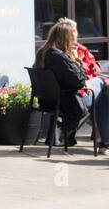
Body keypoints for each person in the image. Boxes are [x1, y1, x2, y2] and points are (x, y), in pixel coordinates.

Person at [35, 19, 91, 149]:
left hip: (45, 100)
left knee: (99, 92)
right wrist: (77, 59)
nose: (73, 42)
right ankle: (102, 140)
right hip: (63, 101)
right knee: (102, 93)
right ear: (65, 38)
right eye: (71, 38)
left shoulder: (42, 52)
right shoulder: (59, 57)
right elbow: (79, 81)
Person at [68, 18, 109, 151]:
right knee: (102, 93)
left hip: (78, 94)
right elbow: (79, 77)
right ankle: (104, 139)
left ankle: (103, 139)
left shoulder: (81, 50)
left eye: (75, 30)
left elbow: (95, 69)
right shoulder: (69, 54)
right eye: (73, 30)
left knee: (102, 93)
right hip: (78, 96)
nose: (75, 34)